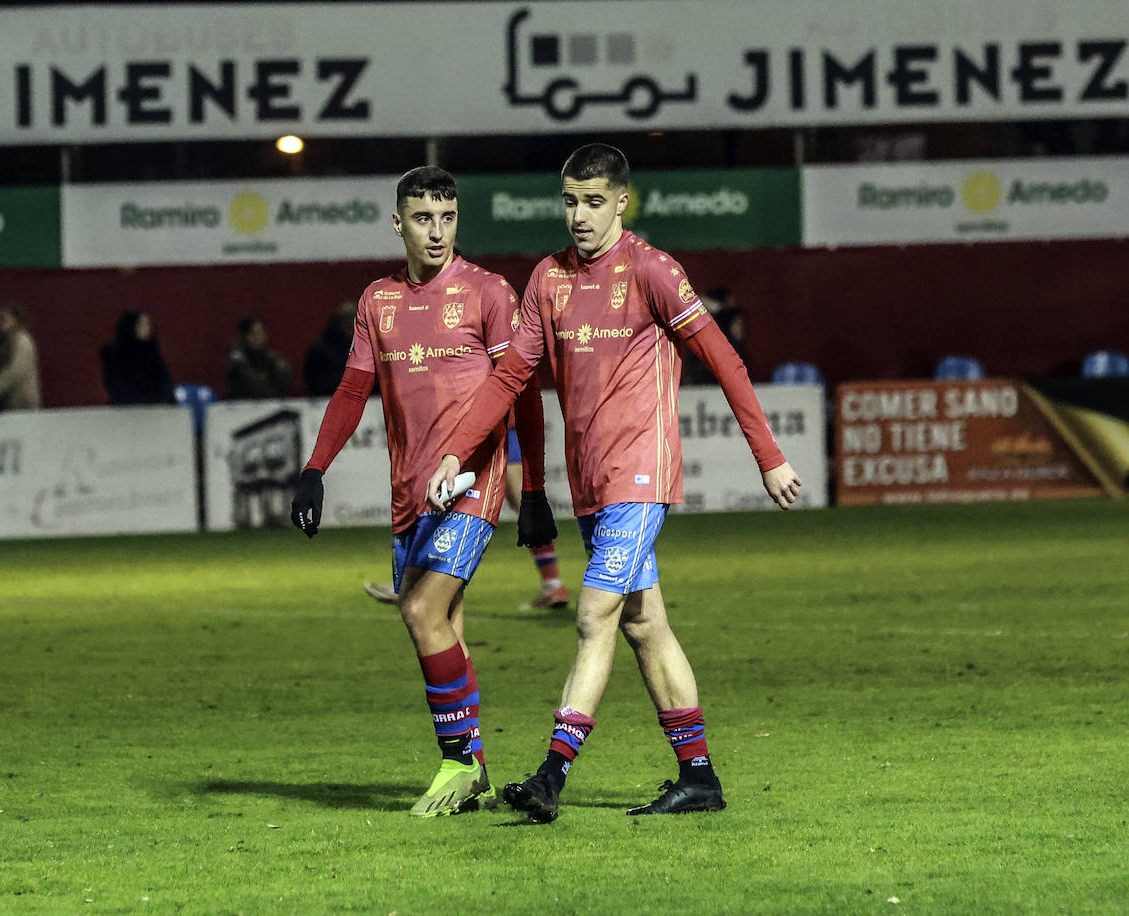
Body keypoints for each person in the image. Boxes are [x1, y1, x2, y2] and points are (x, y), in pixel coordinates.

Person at [426, 143, 801, 823]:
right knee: (644, 625)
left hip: (641, 475)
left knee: (594, 614)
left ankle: (551, 775)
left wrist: (767, 454)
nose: (579, 215)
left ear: (622, 203)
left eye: (594, 202)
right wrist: (458, 451)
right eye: (570, 200)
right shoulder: (548, 279)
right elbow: (511, 377)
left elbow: (724, 359)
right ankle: (699, 777)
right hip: (593, 485)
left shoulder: (652, 271)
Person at [290, 166, 547, 817]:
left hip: (472, 482)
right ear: (398, 222)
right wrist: (315, 468)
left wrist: (535, 485)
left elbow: (522, 389)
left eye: (448, 217)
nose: (437, 232)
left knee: (421, 612)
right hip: (410, 492)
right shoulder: (378, 301)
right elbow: (353, 391)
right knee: (444, 627)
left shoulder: (489, 293)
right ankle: (477, 771)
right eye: (424, 219)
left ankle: (457, 763)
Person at [364, 424, 567, 610]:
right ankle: (552, 583)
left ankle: (411, 584)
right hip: (502, 422)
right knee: (519, 501)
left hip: (480, 424)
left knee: (445, 496)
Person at [100, 309, 176, 405]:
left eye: (148, 324)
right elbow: (119, 390)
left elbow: (166, 387)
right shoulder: (115, 357)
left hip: (156, 413)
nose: (146, 328)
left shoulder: (154, 356)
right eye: (141, 324)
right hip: (126, 414)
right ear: (130, 327)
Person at [226, 315, 293, 399]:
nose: (258, 337)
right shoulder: (237, 359)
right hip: (243, 406)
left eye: (260, 333)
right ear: (244, 336)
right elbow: (255, 387)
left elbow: (286, 382)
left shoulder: (271, 358)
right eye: (253, 334)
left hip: (270, 403)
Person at [304, 301, 358, 397]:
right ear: (339, 322)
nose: (351, 325)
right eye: (347, 320)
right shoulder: (320, 350)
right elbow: (316, 384)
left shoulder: (367, 348)